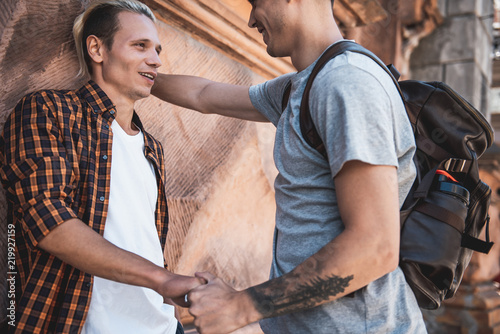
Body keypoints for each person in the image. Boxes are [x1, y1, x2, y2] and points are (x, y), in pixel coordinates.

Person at [151, 0, 427, 333]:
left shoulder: (347, 82)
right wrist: (139, 75)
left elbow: (375, 247)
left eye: (256, 3)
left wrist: (242, 306)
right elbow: (205, 95)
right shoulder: (302, 86)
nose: (251, 19)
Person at [0, 1, 204, 333]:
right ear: (97, 48)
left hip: (162, 326)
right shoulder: (48, 111)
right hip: (81, 324)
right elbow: (47, 220)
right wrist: (162, 279)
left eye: (157, 49)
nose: (155, 60)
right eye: (140, 46)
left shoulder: (153, 148)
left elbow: (146, 242)